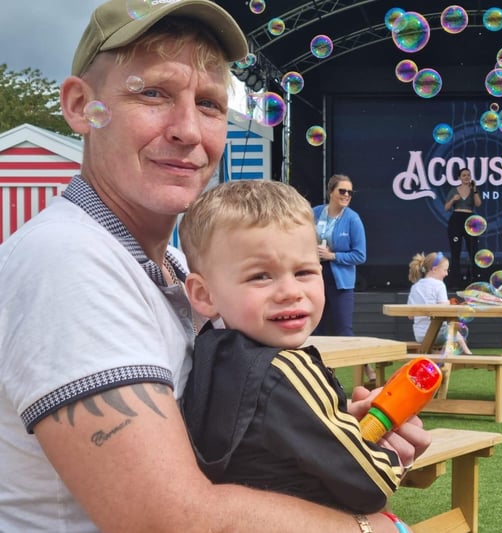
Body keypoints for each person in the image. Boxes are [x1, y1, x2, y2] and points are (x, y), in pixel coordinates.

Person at [0, 2, 428, 531]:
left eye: (209, 103)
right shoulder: (67, 261)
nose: (187, 130)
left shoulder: (175, 268)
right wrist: (375, 529)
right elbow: (167, 519)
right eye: (152, 93)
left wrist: (317, 436)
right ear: (79, 105)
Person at [179, 180, 406, 516]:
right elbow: (372, 482)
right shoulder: (286, 371)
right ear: (203, 295)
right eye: (260, 276)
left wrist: (338, 423)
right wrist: (394, 456)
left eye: (303, 271)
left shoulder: (212, 353)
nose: (290, 291)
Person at [313, 174, 375, 383]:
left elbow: (360, 255)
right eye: (342, 191)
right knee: (316, 328)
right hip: (315, 277)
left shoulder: (352, 218)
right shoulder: (314, 213)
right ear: (330, 192)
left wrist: (332, 256)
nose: (347, 195)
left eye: (350, 192)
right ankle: (319, 376)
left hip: (340, 280)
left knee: (343, 328)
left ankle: (368, 369)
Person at [407, 251, 472, 354]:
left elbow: (410, 315)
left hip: (419, 335)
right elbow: (443, 309)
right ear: (434, 269)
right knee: (458, 335)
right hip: (438, 333)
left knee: (454, 335)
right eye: (445, 270)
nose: (446, 274)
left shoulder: (415, 287)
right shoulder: (439, 285)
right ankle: (468, 354)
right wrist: (451, 305)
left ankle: (437, 355)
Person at [443, 167, 482, 288]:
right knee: (456, 252)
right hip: (456, 219)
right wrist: (453, 200)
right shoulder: (454, 190)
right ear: (459, 177)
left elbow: (478, 204)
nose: (466, 177)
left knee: (473, 250)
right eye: (464, 175)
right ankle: (455, 281)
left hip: (470, 219)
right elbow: (446, 207)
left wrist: (474, 190)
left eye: (468, 175)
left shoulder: (473, 189)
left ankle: (473, 280)